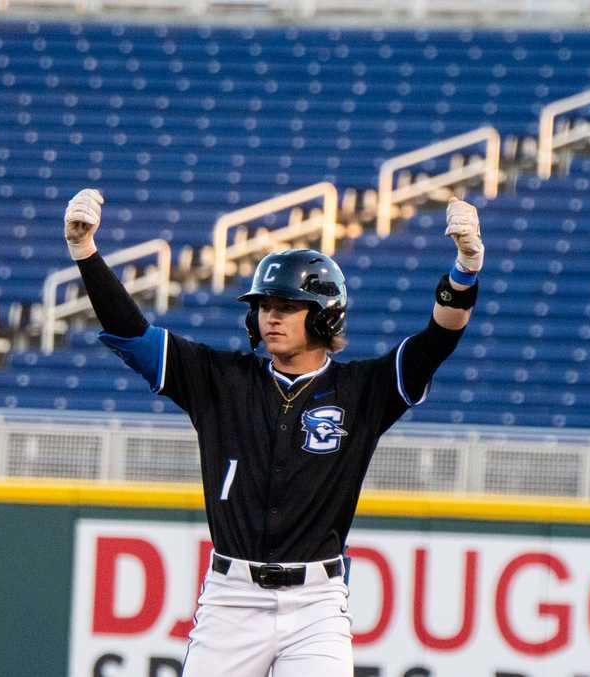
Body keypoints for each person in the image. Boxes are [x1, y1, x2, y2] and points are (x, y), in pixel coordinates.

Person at [63, 187, 483, 676]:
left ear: (325, 315)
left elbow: (439, 338)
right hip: (231, 599)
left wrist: (465, 270)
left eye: (288, 305)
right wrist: (86, 254)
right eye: (265, 305)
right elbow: (133, 336)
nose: (272, 316)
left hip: (316, 605)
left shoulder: (363, 390)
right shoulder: (219, 380)